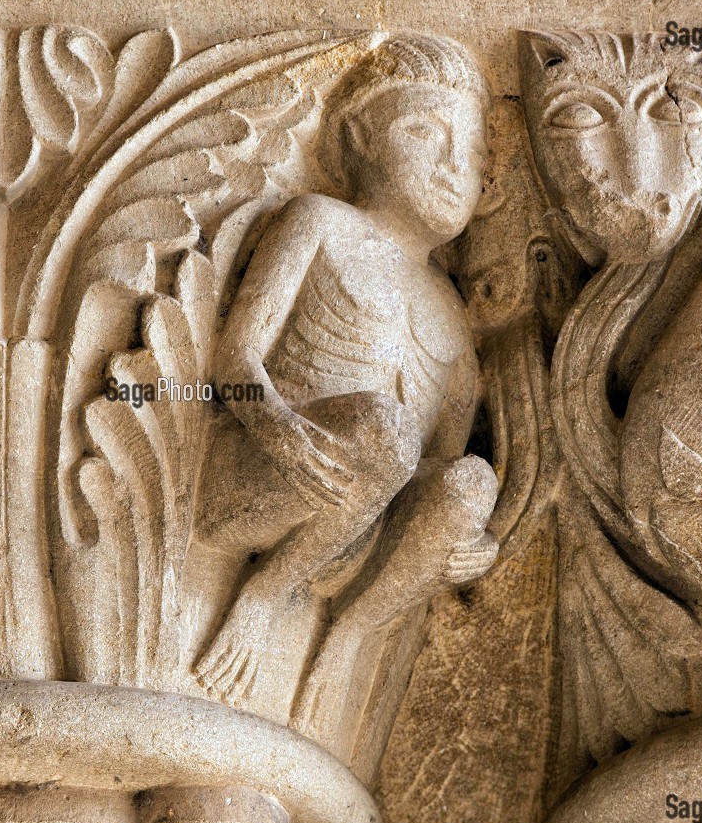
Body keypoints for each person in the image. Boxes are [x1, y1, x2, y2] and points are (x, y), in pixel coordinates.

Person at [193, 36, 500, 707]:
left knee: (473, 481)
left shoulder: (454, 322)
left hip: (354, 542)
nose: (454, 166)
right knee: (383, 427)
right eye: (425, 131)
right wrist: (277, 425)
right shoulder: (321, 222)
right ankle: (259, 596)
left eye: (474, 155)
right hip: (264, 477)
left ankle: (349, 635)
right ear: (359, 134)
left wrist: (464, 543)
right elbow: (235, 357)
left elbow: (434, 471)